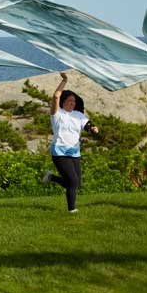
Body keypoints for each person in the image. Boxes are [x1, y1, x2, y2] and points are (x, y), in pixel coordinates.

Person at [42, 72, 99, 213]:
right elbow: (55, 96)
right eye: (69, 101)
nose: (72, 103)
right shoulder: (57, 114)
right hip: (59, 151)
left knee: (76, 183)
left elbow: (88, 125)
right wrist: (65, 80)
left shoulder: (78, 115)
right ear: (63, 101)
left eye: (74, 101)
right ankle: (71, 210)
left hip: (74, 152)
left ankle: (51, 177)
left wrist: (93, 129)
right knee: (73, 182)